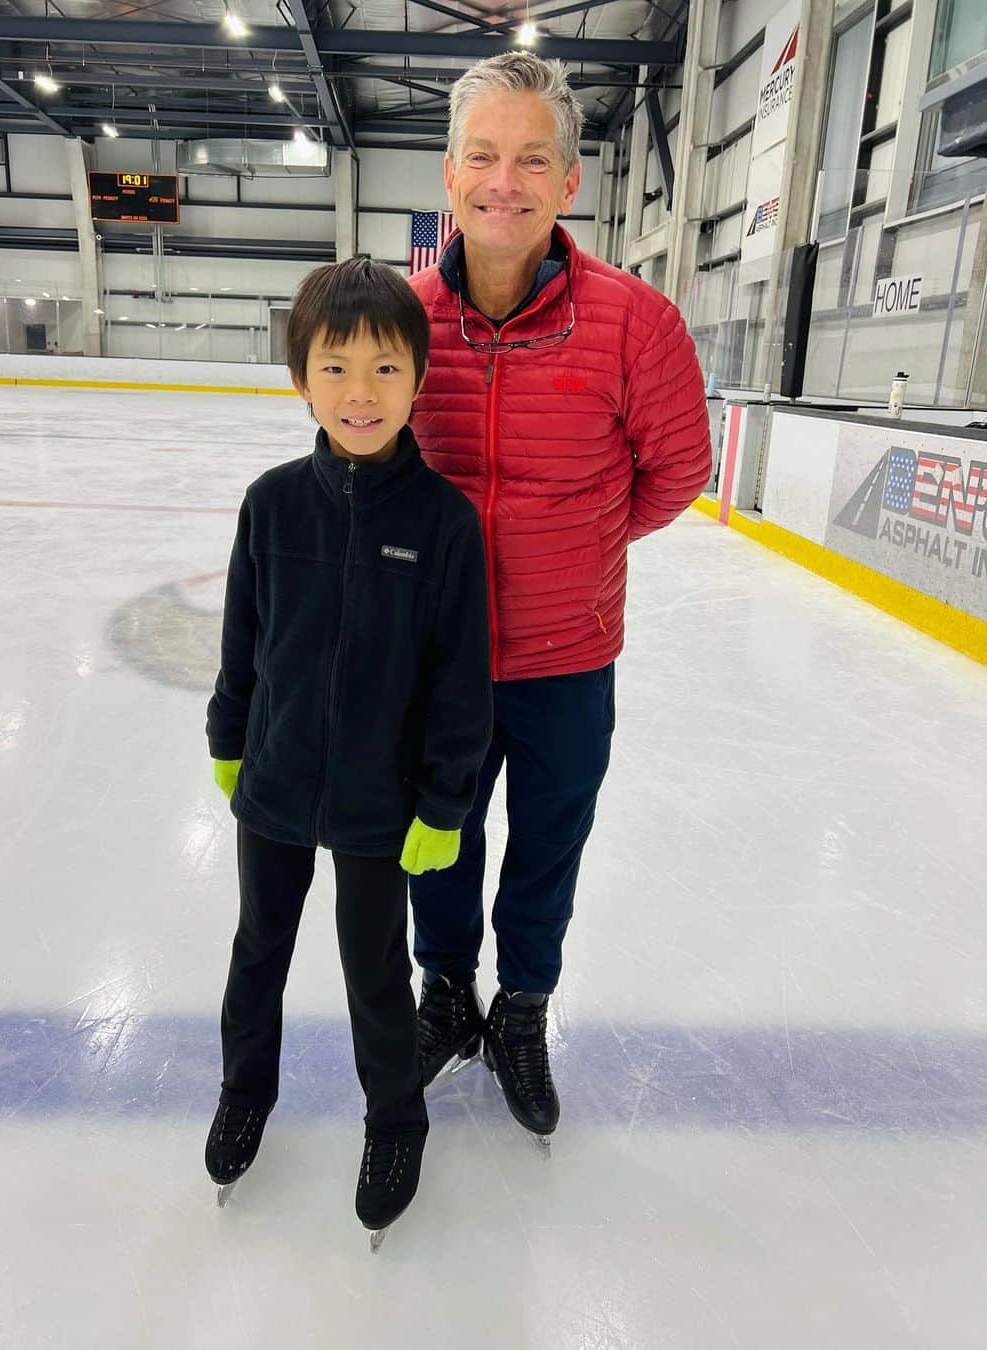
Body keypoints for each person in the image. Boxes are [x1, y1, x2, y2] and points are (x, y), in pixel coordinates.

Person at [407, 52, 712, 1148]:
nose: (505, 180)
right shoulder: (401, 320)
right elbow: (358, 460)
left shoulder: (637, 325)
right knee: (433, 844)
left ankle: (522, 1007)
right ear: (449, 175)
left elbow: (678, 471)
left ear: (569, 182)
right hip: (430, 662)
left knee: (546, 848)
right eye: (483, 155)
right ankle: (445, 995)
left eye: (532, 158)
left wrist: (575, 547)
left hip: (564, 660)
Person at [203, 257, 492, 1243]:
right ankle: (246, 1088)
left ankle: (394, 1119)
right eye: (334, 368)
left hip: (382, 798)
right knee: (258, 952)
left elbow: (462, 681)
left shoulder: (445, 526)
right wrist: (229, 740)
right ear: (301, 380)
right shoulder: (272, 505)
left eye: (383, 369)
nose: (359, 394)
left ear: (418, 379)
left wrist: (447, 802)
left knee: (375, 971)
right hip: (277, 780)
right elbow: (243, 638)